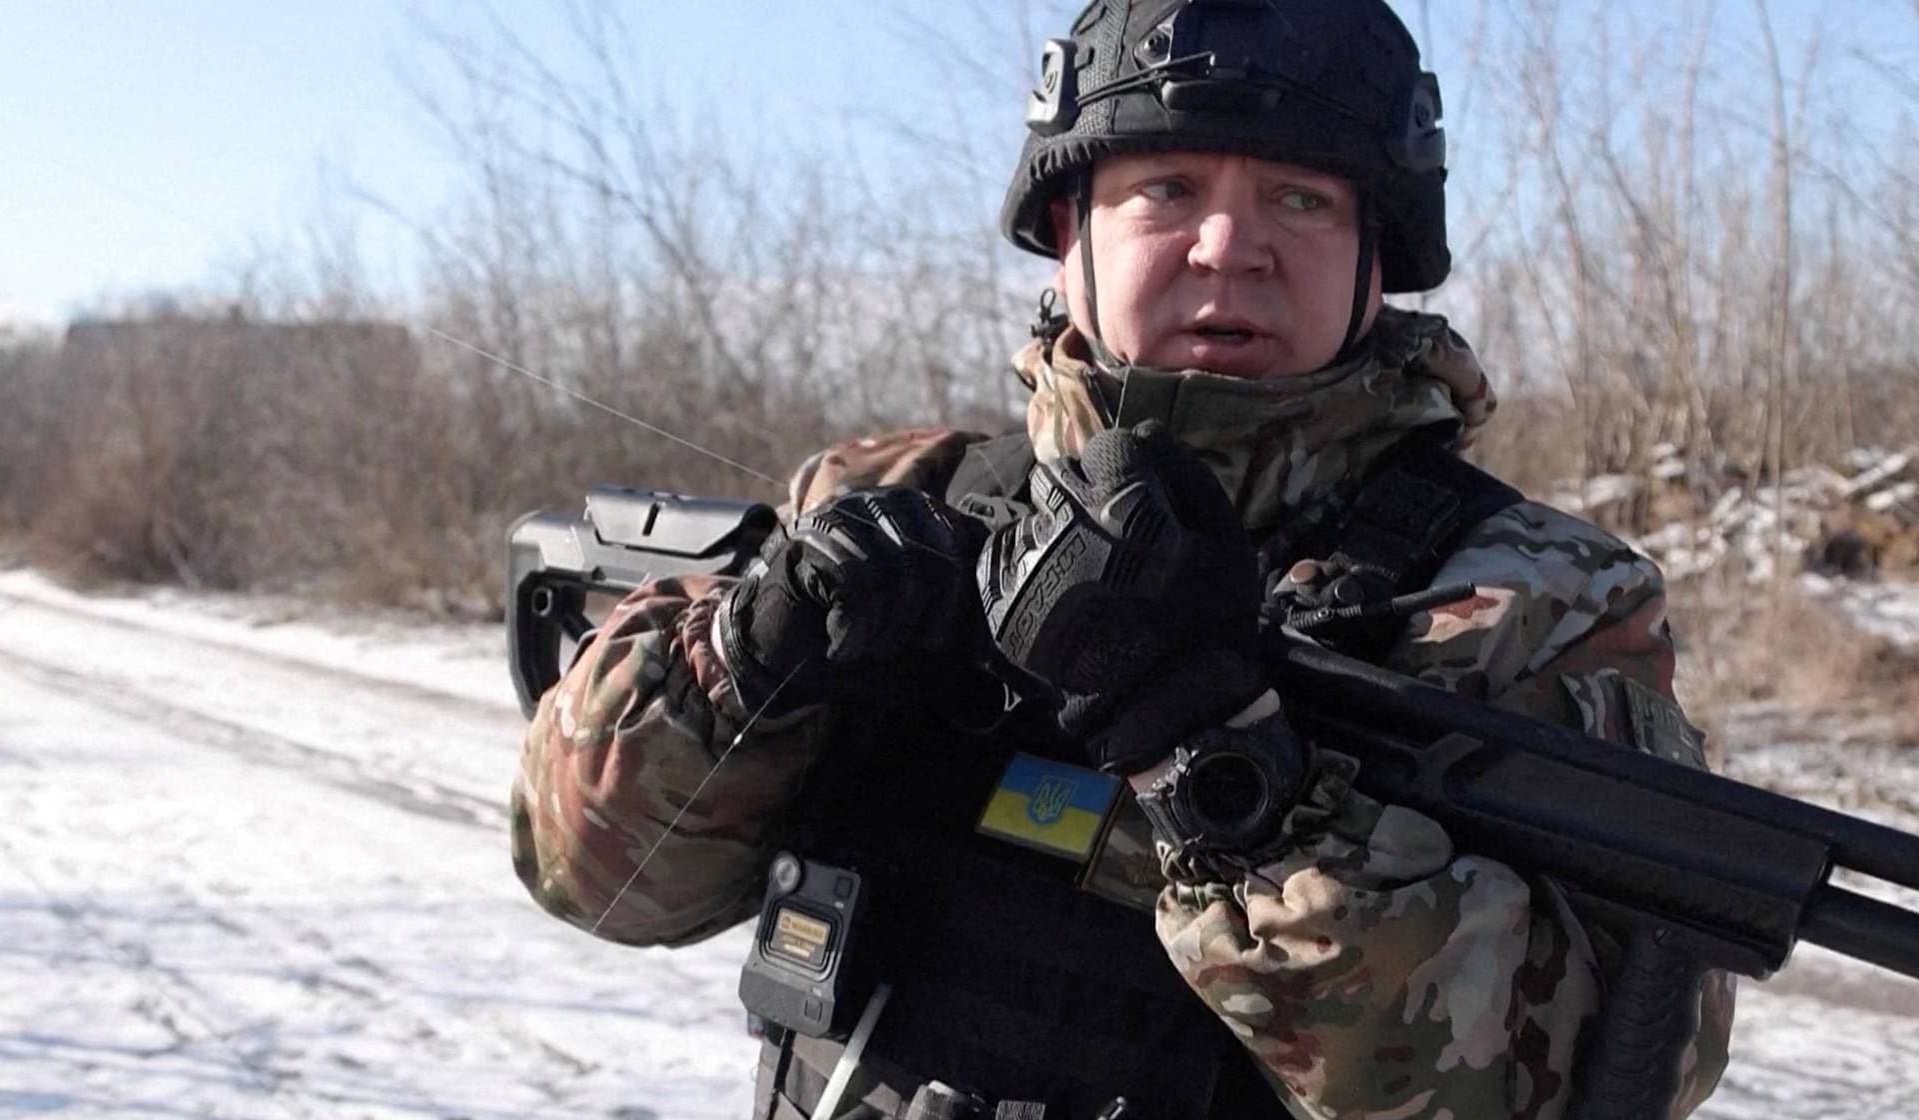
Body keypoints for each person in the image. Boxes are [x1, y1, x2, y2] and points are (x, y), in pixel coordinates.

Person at [510, 1, 1735, 1116]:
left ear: (1379, 252)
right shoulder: (896, 490)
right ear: (1068, 233)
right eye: (1167, 185)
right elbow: (600, 883)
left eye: (1303, 199)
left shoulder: (1534, 598)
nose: (1228, 246)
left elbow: (1608, 1080)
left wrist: (1216, 763)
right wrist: (745, 660)